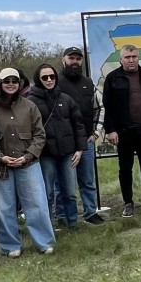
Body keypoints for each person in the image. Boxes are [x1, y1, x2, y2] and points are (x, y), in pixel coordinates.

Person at [0, 68, 56, 257]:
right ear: (0, 84)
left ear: (20, 84)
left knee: (37, 203)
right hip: (0, 164)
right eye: (6, 81)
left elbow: (40, 135)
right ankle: (10, 246)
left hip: (28, 163)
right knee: (4, 207)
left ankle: (44, 242)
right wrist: (0, 155)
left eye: (14, 81)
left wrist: (28, 156)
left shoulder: (30, 106)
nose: (11, 84)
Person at [103, 45, 141, 218]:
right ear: (121, 59)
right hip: (123, 132)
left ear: (139, 58)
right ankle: (128, 203)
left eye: (134, 56)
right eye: (127, 57)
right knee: (125, 169)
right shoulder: (112, 78)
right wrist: (110, 130)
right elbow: (107, 107)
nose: (131, 60)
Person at [29, 64, 87, 230]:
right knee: (46, 193)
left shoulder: (66, 98)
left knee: (69, 192)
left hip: (68, 152)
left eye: (52, 76)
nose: (49, 80)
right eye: (44, 77)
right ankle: (47, 226)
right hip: (45, 154)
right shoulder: (31, 102)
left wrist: (80, 149)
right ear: (38, 80)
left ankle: (73, 223)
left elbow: (79, 124)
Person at [57, 47, 106, 224]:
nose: (75, 61)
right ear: (64, 60)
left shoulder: (88, 82)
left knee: (87, 180)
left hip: (86, 140)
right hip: (65, 143)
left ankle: (90, 212)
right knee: (63, 184)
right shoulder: (56, 82)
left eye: (78, 58)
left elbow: (99, 108)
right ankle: (63, 216)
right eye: (72, 58)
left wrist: (96, 132)